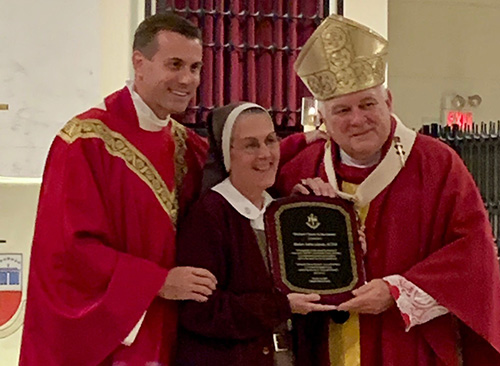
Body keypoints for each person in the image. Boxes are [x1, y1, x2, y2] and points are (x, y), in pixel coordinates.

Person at [275, 14, 500, 366]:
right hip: (324, 345)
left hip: (407, 345)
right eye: (341, 110)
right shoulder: (303, 169)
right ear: (324, 119)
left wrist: (397, 292)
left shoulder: (435, 163)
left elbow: (474, 255)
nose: (356, 119)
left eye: (368, 104)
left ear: (389, 102)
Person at [19, 13, 217, 366]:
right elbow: (67, 251)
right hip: (115, 341)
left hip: (175, 333)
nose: (188, 80)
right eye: (175, 64)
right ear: (139, 63)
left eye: (195, 67)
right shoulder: (86, 141)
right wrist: (156, 282)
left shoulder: (190, 146)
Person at [174, 103, 338, 366]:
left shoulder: (282, 212)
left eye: (270, 140)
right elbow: (199, 311)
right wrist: (279, 307)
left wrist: (344, 245)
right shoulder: (209, 216)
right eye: (251, 145)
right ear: (228, 155)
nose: (266, 154)